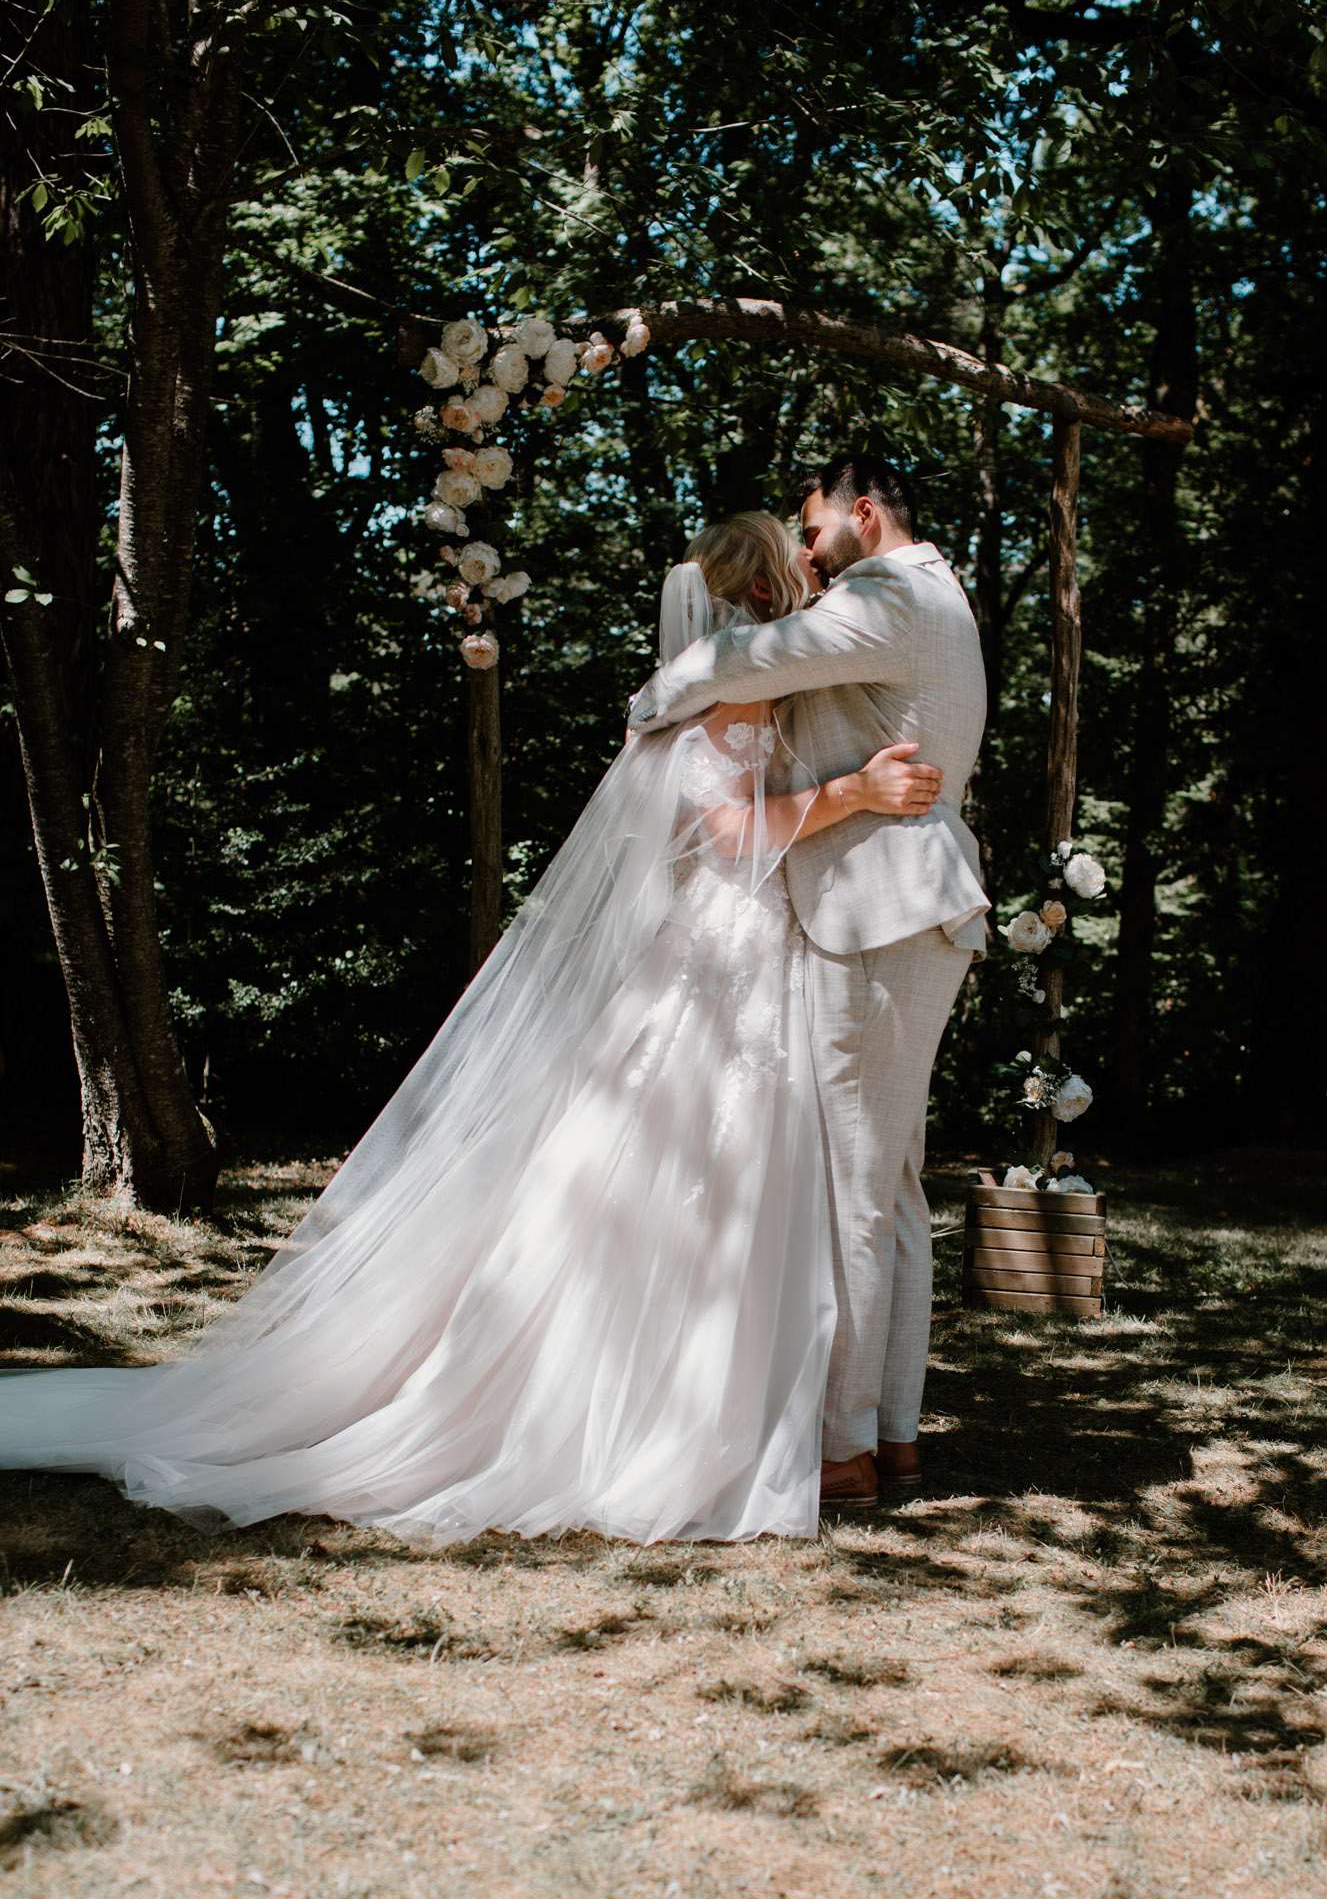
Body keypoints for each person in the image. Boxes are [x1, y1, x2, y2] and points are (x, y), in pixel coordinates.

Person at [0, 511, 942, 1546]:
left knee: (734, 1182)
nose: (809, 587)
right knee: (699, 1171)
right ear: (763, 598)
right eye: (794, 575)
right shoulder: (726, 698)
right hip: (725, 962)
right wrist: (852, 790)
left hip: (750, 954)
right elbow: (724, 829)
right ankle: (662, 1411)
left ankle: (757, 1403)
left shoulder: (720, 688)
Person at [628, 453, 990, 1510]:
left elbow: (747, 660)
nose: (809, 543)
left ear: (861, 512)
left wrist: (656, 697)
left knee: (856, 1191)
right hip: (906, 906)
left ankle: (843, 1448)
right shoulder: (941, 592)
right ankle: (891, 1430)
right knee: (893, 1190)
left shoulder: (887, 595)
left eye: (815, 521)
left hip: (879, 910)